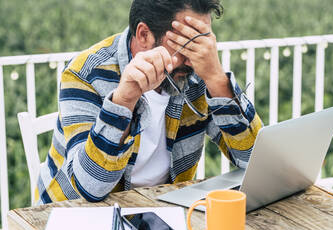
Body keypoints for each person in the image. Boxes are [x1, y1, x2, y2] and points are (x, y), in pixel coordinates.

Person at [35, 0, 262, 205]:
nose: (196, 57)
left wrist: (216, 79)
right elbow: (90, 189)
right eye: (188, 43)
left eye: (204, 42)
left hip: (161, 208)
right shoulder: (86, 73)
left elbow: (254, 161)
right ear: (144, 35)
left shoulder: (198, 72)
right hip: (69, 213)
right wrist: (123, 101)